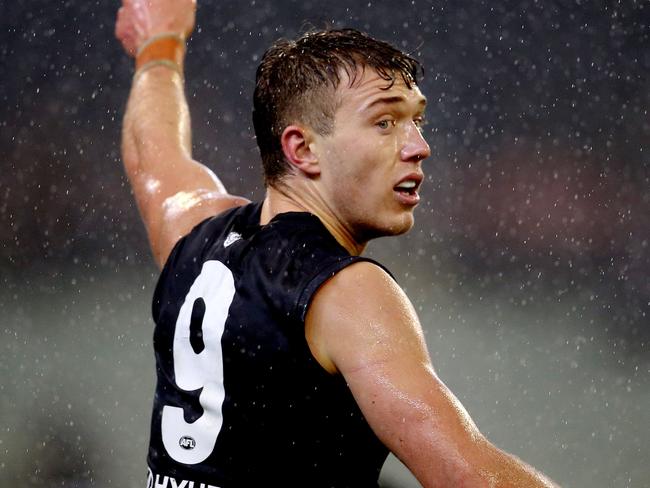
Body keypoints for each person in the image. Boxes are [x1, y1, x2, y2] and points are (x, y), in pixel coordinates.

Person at [115, 0, 561, 486]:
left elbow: (152, 153)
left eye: (417, 121)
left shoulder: (195, 235)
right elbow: (470, 477)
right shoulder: (345, 292)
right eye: (385, 122)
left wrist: (159, 46)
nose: (418, 146)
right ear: (302, 149)